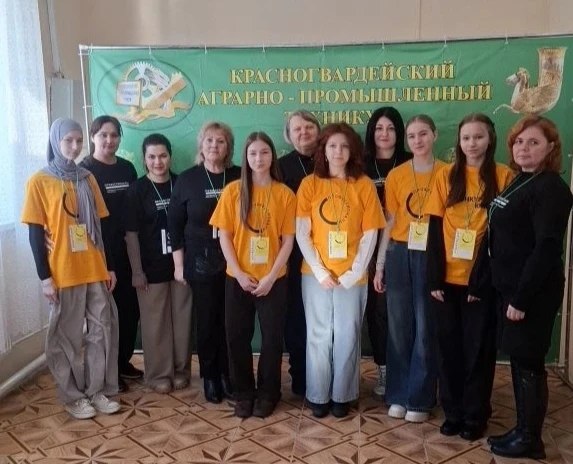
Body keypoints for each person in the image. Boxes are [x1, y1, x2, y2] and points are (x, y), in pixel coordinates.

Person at [21, 118, 120, 419]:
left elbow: (102, 226)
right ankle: (73, 396)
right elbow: (35, 233)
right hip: (63, 272)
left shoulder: (87, 178)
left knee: (101, 332)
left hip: (94, 268)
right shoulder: (39, 181)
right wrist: (45, 278)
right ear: (55, 141)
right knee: (67, 339)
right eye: (69, 141)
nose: (75, 147)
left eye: (79, 140)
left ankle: (97, 390)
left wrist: (110, 267)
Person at [486, 116, 572, 459]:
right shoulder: (522, 179)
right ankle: (523, 429)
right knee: (521, 360)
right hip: (512, 288)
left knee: (529, 363)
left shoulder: (551, 188)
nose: (524, 148)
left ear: (551, 147)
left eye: (533, 142)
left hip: (532, 293)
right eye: (519, 142)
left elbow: (546, 248)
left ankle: (529, 439)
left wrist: (521, 299)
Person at [424, 114, 513, 440]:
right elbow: (434, 228)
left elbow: (503, 235)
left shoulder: (504, 176)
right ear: (458, 142)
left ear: (490, 139)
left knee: (478, 352)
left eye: (478, 137)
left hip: (481, 281)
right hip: (446, 281)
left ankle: (475, 415)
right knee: (448, 350)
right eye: (466, 138)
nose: (472, 143)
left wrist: (482, 280)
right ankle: (453, 412)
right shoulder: (445, 175)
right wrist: (434, 278)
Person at [296, 122, 385, 418]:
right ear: (323, 150)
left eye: (344, 146)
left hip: (352, 277)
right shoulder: (309, 184)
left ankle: (342, 395)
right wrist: (321, 271)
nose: (338, 152)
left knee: (348, 334)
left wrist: (353, 272)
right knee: (318, 334)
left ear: (353, 151)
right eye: (332, 146)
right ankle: (318, 395)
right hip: (315, 275)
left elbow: (371, 233)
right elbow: (302, 232)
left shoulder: (364, 185)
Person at [210, 132, 296, 418]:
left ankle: (269, 393)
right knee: (237, 337)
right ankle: (244, 392)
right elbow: (224, 236)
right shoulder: (233, 191)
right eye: (253, 154)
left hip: (274, 280)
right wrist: (238, 272)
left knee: (272, 340)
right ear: (245, 158)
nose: (259, 159)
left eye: (264, 152)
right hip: (238, 278)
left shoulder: (285, 194)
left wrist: (271, 277)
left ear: (273, 156)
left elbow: (288, 241)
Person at [374, 114, 445, 422]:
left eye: (423, 134)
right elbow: (389, 221)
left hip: (432, 253)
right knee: (399, 327)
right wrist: (380, 264)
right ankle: (398, 395)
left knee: (426, 326)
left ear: (435, 135)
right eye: (412, 136)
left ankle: (420, 399)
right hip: (399, 252)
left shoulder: (447, 172)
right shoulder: (397, 175)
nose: (418, 140)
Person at [168, 122, 241, 403]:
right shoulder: (188, 179)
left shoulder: (239, 176)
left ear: (228, 147)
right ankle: (210, 377)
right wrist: (178, 265)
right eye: (209, 140)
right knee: (207, 321)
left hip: (236, 259)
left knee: (231, 321)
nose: (214, 146)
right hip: (199, 260)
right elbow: (175, 225)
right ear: (201, 145)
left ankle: (227, 374)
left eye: (220, 141)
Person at [124, 133, 192, 394]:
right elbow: (131, 234)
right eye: (152, 157)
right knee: (155, 324)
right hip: (151, 267)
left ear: (170, 156)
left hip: (181, 265)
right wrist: (137, 271)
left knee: (182, 321)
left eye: (163, 155)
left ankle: (181, 370)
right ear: (144, 159)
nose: (158, 162)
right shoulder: (137, 190)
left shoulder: (181, 183)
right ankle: (158, 374)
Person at [80, 115, 140, 392]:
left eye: (114, 135)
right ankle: (107, 371)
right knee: (105, 316)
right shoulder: (85, 171)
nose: (109, 140)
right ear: (93, 136)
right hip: (100, 252)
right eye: (103, 135)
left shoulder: (127, 169)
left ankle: (123, 362)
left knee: (129, 312)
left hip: (128, 250)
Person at [363, 106, 411, 398]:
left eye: (391, 128)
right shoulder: (361, 165)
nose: (384, 134)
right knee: (378, 312)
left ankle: (404, 369)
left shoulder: (409, 162)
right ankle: (383, 368)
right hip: (369, 247)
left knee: (404, 311)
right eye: (379, 128)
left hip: (403, 245)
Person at [278, 110, 321, 396]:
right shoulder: (280, 167)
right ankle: (301, 375)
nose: (303, 132)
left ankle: (325, 375)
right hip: (293, 254)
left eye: (309, 127)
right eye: (297, 129)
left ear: (318, 130)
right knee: (296, 316)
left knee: (325, 318)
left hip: (330, 253)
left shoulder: (330, 159)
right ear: (288, 135)